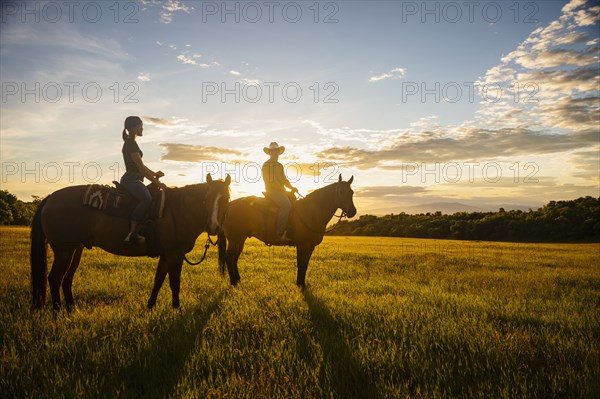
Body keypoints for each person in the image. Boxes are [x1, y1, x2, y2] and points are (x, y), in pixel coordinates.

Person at [120, 116, 167, 244]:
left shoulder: (132, 143)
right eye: (141, 126)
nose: (142, 128)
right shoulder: (130, 143)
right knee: (146, 198)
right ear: (135, 127)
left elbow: (141, 165)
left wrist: (154, 173)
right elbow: (140, 168)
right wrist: (158, 183)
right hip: (130, 180)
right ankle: (132, 234)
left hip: (134, 179)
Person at [261, 142, 298, 241]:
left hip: (281, 191)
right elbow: (272, 181)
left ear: (278, 152)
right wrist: (284, 191)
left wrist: (291, 187)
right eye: (272, 151)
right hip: (272, 191)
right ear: (269, 153)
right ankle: (279, 234)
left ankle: (290, 230)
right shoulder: (266, 165)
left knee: (295, 202)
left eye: (276, 151)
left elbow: (284, 180)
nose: (274, 153)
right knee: (286, 205)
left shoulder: (280, 165)